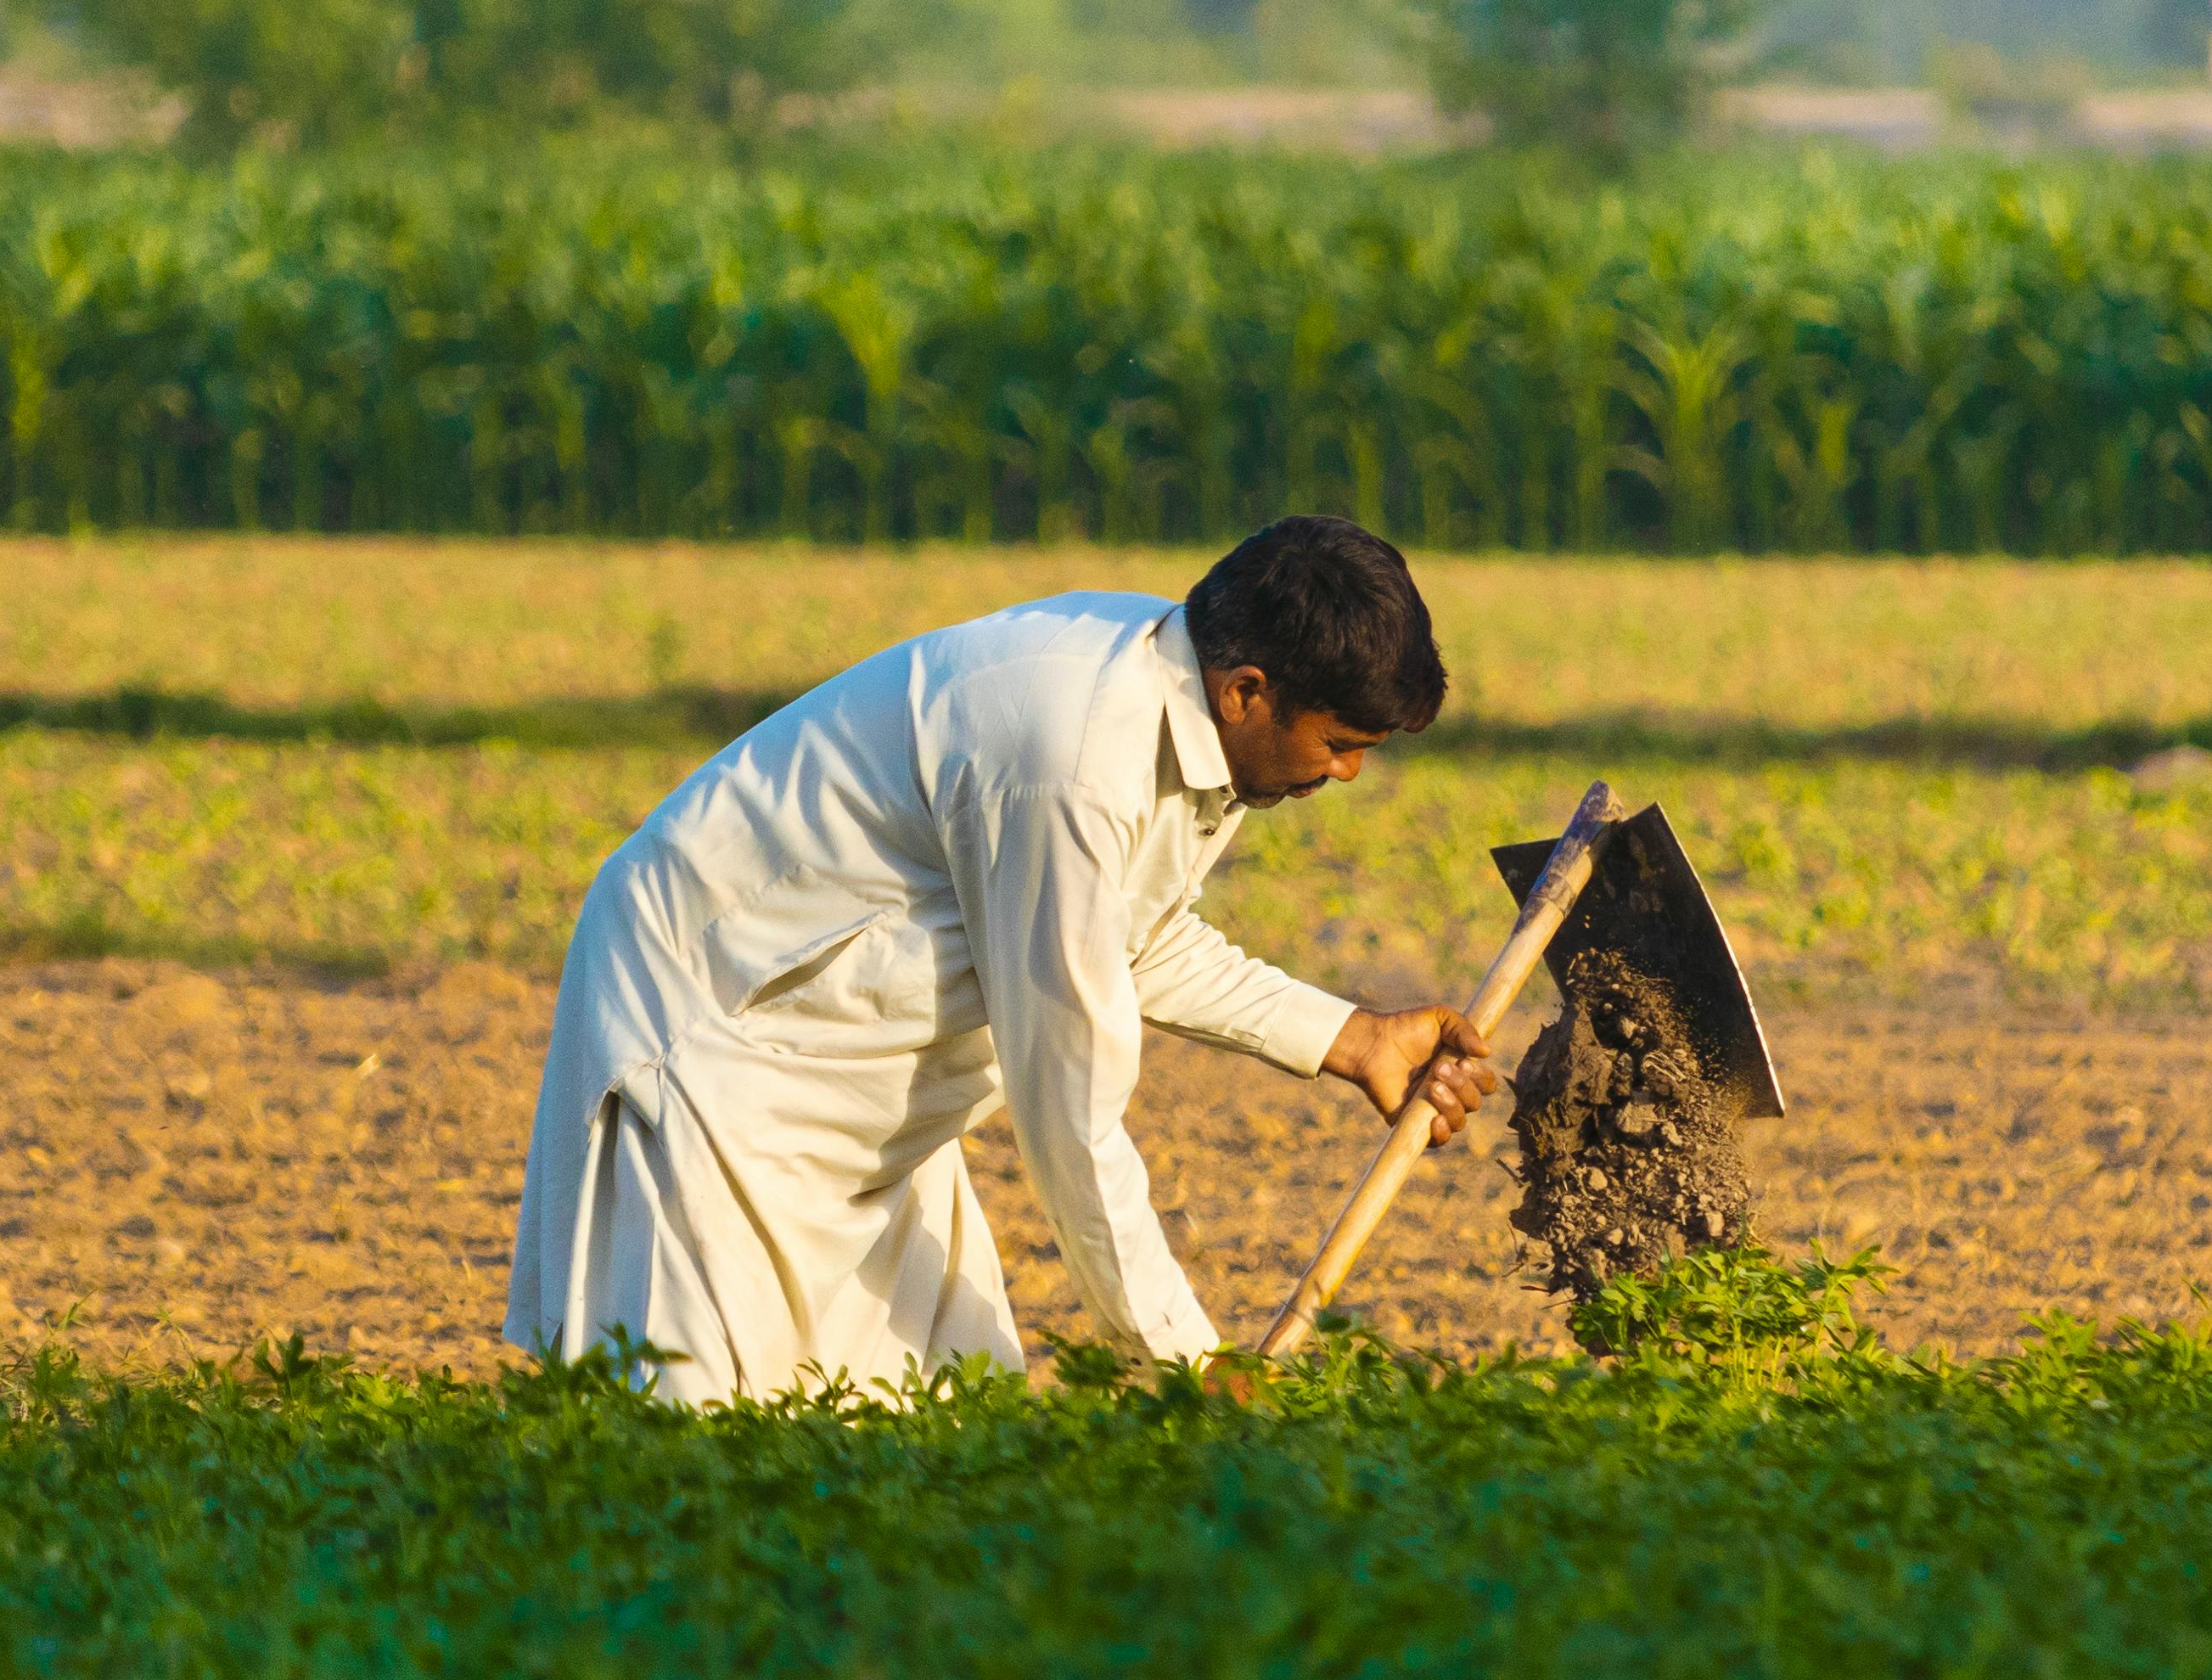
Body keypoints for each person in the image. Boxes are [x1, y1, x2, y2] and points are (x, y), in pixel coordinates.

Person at [504, 517, 1494, 1398]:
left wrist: (1352, 1038)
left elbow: (1129, 938)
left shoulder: (1180, 707)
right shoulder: (1068, 761)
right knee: (698, 1433)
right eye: (1341, 742)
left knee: (933, 1417)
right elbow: (1070, 1106)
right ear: (1247, 692)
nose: (1347, 771)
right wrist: (1189, 1364)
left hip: (853, 1058)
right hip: (717, 1030)